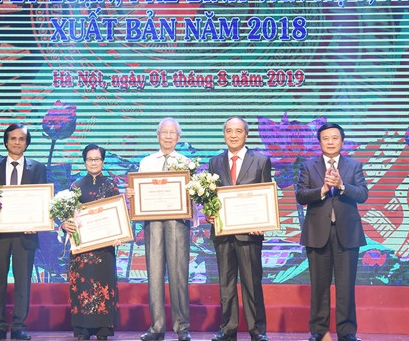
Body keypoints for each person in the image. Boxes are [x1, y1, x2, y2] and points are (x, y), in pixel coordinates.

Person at [295, 122, 368, 341]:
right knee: (319, 286)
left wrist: (342, 185)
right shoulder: (308, 166)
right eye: (325, 138)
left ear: (342, 141)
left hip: (347, 233)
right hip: (318, 233)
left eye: (334, 138)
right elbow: (300, 196)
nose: (330, 142)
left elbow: (363, 194)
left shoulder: (354, 166)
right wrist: (324, 190)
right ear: (319, 142)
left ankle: (347, 332)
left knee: (346, 287)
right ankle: (319, 331)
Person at [207, 117, 271, 341]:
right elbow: (211, 197)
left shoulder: (261, 160)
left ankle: (257, 330)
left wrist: (263, 221)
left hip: (250, 234)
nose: (233, 135)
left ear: (246, 134)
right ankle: (228, 328)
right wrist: (209, 213)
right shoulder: (214, 162)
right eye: (228, 131)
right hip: (223, 232)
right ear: (224, 134)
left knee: (252, 283)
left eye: (238, 131)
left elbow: (266, 196)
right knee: (226, 283)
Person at [127, 118, 192, 341]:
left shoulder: (186, 163)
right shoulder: (146, 162)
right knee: (154, 275)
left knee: (179, 275)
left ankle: (182, 328)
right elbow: (139, 190)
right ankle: (156, 327)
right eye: (164, 132)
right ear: (157, 136)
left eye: (172, 133)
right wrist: (133, 195)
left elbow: (191, 196)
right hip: (152, 222)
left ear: (178, 137)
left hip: (177, 223)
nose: (167, 136)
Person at [0, 123, 47, 341]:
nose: (17, 142)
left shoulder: (37, 168)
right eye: (13, 138)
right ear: (6, 141)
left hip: (25, 235)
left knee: (23, 282)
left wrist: (37, 221)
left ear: (27, 143)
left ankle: (19, 326)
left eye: (22, 139)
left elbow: (42, 200)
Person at [61, 144, 120, 340]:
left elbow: (119, 215)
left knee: (104, 285)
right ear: (84, 161)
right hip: (82, 249)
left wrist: (119, 232)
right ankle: (82, 329)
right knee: (83, 286)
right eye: (89, 159)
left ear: (103, 161)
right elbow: (67, 215)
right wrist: (64, 224)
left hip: (104, 248)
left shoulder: (111, 186)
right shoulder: (75, 186)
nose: (93, 163)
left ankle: (103, 329)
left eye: (97, 159)